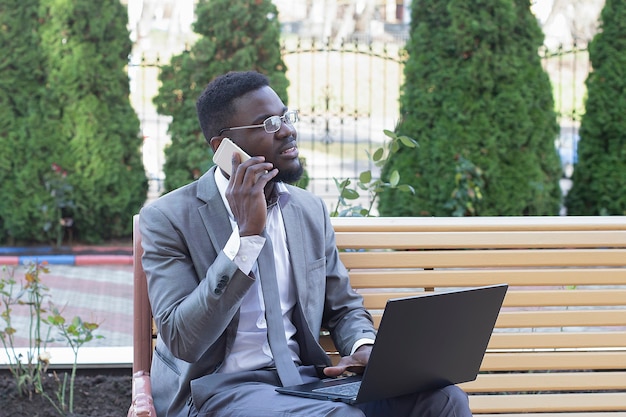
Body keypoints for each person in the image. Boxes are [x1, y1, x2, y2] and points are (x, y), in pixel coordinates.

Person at [139, 70, 472, 417]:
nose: (286, 130)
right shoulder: (169, 218)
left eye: (285, 116)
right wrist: (246, 238)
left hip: (304, 385)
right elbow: (183, 339)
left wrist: (364, 346)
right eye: (267, 124)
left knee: (444, 400)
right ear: (224, 149)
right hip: (219, 391)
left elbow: (343, 307)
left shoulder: (308, 210)